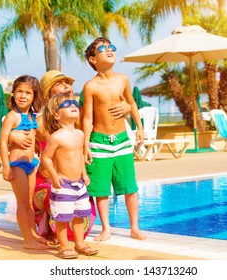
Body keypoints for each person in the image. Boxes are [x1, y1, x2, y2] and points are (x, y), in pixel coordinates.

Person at [9, 70, 132, 242]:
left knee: (83, 222)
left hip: (75, 179)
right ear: (48, 93)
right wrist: (11, 135)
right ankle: (45, 221)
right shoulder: (37, 122)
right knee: (60, 211)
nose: (67, 85)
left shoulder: (81, 114)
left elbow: (106, 118)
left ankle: (65, 234)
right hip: (49, 180)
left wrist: (128, 106)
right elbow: (12, 129)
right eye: (60, 83)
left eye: (68, 82)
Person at [83, 37, 147, 241]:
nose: (109, 50)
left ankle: (134, 227)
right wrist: (85, 145)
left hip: (121, 139)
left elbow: (132, 103)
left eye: (111, 47)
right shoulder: (90, 86)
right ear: (93, 59)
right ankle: (106, 228)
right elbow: (87, 118)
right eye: (103, 48)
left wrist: (139, 128)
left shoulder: (123, 79)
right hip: (99, 141)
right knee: (101, 189)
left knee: (129, 186)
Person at [41, 92, 98, 259]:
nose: (73, 105)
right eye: (66, 105)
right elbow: (46, 157)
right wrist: (53, 175)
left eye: (73, 102)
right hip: (63, 183)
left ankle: (79, 244)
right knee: (62, 217)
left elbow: (80, 156)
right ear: (56, 115)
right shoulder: (56, 137)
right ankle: (64, 245)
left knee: (80, 215)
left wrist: (84, 174)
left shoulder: (80, 134)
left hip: (79, 184)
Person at [0, 75, 48, 250]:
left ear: (34, 96)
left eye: (28, 92)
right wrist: (5, 166)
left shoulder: (33, 117)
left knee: (29, 202)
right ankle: (27, 239)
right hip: (17, 164)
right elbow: (3, 141)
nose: (23, 96)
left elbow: (36, 139)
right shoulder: (12, 116)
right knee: (21, 203)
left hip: (31, 164)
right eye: (19, 91)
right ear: (13, 94)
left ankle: (33, 234)